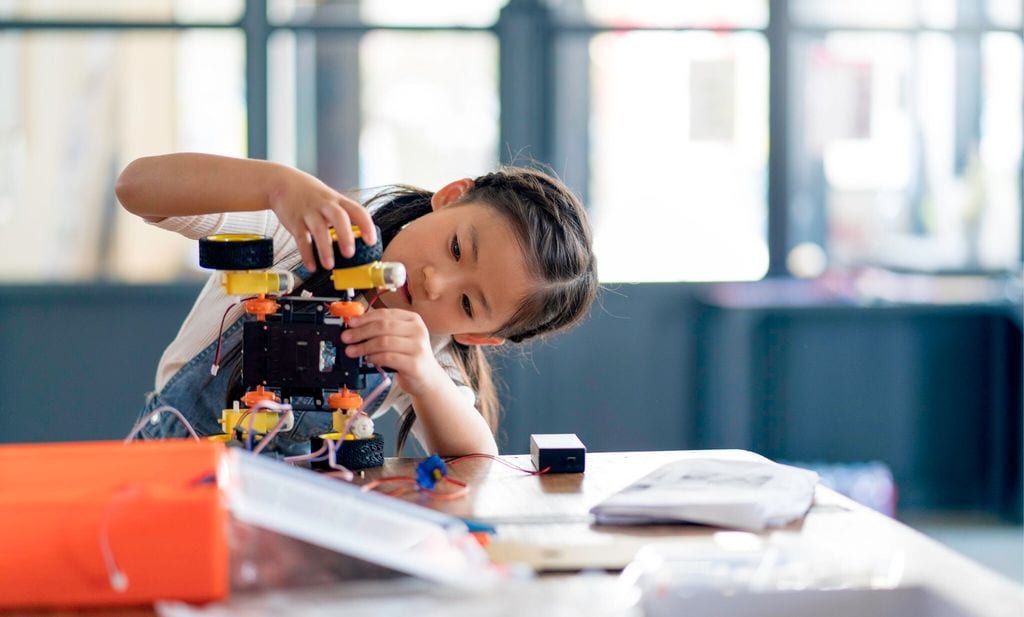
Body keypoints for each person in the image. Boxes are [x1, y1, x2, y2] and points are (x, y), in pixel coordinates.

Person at [116, 153, 597, 457]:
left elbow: (477, 453)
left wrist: (425, 377)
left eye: (468, 303)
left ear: (477, 336)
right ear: (451, 197)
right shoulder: (301, 234)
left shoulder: (428, 345)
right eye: (455, 248)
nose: (435, 283)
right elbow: (135, 188)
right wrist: (276, 186)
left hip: (285, 506)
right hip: (171, 468)